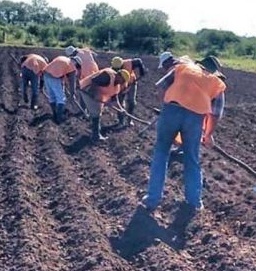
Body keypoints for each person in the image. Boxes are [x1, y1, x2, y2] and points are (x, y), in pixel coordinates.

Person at [142, 56, 227, 213]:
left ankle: (152, 199)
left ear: (199, 64)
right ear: (214, 71)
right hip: (195, 119)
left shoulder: (183, 67)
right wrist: (208, 135)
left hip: (170, 111)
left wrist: (167, 108)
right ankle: (194, 202)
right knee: (192, 159)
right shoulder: (217, 83)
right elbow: (215, 114)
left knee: (161, 154)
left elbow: (162, 87)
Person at [79, 67, 131, 141]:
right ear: (119, 75)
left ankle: (94, 132)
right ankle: (95, 136)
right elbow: (94, 81)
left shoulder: (117, 86)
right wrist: (94, 94)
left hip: (96, 95)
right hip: (87, 91)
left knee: (97, 112)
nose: (122, 83)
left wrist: (121, 109)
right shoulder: (108, 76)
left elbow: (114, 99)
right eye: (122, 80)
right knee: (96, 112)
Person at [43, 55, 82, 124]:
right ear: (76, 64)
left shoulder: (62, 58)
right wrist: (72, 94)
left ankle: (55, 115)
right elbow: (72, 83)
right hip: (54, 78)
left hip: (46, 75)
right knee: (61, 99)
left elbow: (59, 72)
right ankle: (59, 118)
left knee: (52, 97)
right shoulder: (72, 66)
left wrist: (63, 86)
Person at [110, 56, 146, 126]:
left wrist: (142, 72)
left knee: (131, 102)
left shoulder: (129, 63)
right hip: (121, 87)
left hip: (131, 84)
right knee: (119, 104)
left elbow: (139, 61)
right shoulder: (112, 70)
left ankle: (129, 120)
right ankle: (121, 121)